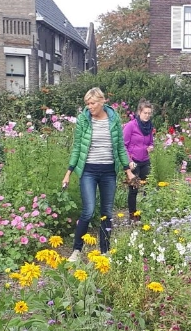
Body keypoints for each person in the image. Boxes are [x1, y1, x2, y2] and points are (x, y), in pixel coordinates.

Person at [62, 88, 133, 261]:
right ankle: (76, 251)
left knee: (107, 212)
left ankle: (105, 252)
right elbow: (77, 147)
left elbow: (120, 147)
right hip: (88, 171)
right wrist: (68, 172)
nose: (90, 106)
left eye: (92, 103)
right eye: (87, 104)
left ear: (102, 101)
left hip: (109, 172)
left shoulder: (114, 119)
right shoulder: (83, 120)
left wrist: (128, 171)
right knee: (88, 210)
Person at [122, 100, 155, 221]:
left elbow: (151, 142)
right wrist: (129, 160)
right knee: (134, 189)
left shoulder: (149, 127)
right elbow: (123, 145)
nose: (147, 115)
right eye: (145, 113)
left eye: (149, 113)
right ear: (139, 112)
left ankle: (146, 212)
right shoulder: (131, 126)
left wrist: (151, 147)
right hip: (134, 162)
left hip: (145, 161)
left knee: (147, 188)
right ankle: (133, 215)